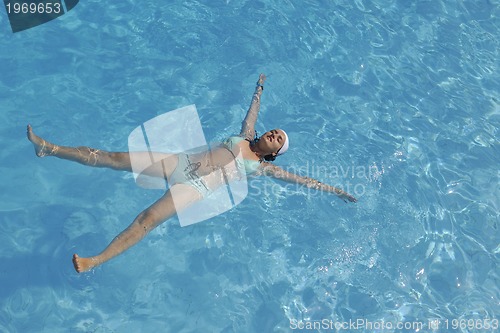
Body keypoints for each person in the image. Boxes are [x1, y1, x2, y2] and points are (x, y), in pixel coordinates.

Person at [27, 74, 357, 273]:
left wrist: (336, 191)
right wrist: (259, 87)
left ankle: (95, 260)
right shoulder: (244, 135)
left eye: (279, 139)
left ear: (275, 153)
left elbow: (304, 181)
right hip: (179, 163)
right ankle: (51, 148)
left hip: (194, 187)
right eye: (275, 131)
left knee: (146, 220)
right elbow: (252, 109)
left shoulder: (262, 167)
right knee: (114, 157)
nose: (274, 134)